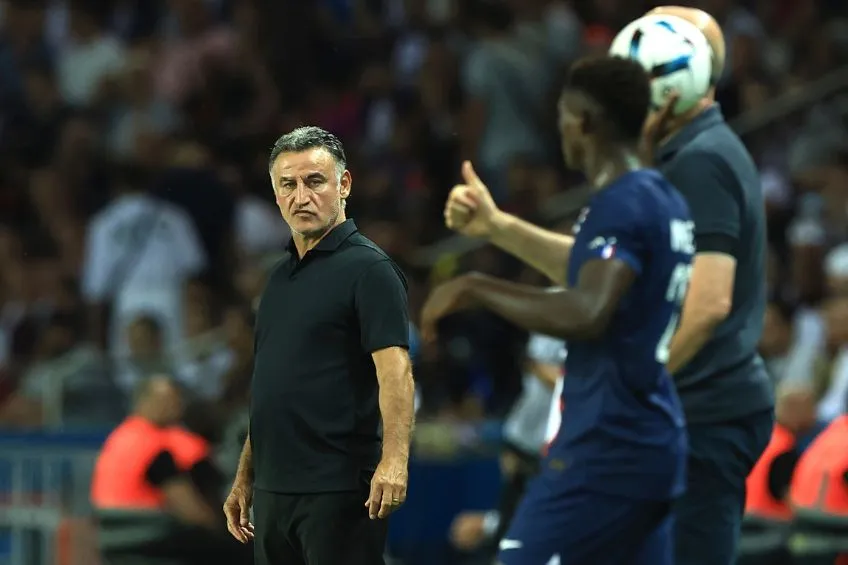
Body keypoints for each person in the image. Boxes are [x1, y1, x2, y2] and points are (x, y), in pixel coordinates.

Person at [440, 6, 774, 563]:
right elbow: (599, 266)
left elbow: (709, 301)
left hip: (702, 414)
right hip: (682, 416)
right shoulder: (679, 159)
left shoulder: (700, 162)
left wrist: (639, 391)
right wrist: (498, 228)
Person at [422, 55, 694, 565]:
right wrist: (498, 227)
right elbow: (588, 268)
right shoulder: (660, 198)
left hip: (603, 446)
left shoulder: (621, 203)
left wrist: (478, 287)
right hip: (651, 438)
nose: (559, 128)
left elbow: (589, 309)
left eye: (563, 116)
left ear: (584, 122)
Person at [222, 126, 415, 565]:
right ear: (275, 195)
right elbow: (270, 387)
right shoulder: (276, 280)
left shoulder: (370, 270)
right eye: (287, 185)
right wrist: (245, 475)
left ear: (343, 185)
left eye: (314, 181)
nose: (300, 196)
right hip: (273, 493)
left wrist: (395, 461)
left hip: (339, 490)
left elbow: (396, 372)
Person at [91, 375, 249, 565]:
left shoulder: (121, 437)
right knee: (243, 548)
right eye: (166, 400)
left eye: (177, 400)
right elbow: (189, 509)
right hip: (151, 535)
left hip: (112, 535)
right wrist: (218, 528)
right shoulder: (153, 447)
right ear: (144, 401)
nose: (175, 406)